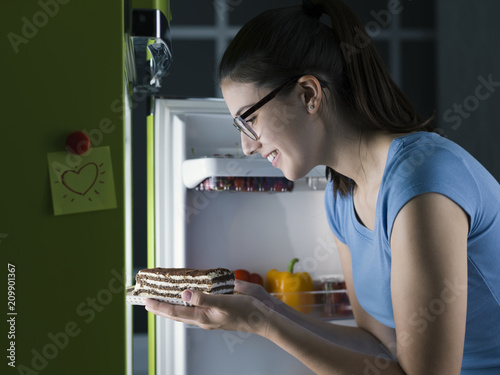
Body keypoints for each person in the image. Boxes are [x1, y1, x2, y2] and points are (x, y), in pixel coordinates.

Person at [144, 0, 500, 373]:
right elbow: (380, 346)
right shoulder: (341, 196)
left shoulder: (420, 182)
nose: (247, 146)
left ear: (309, 95)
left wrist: (265, 324)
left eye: (249, 121)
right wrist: (270, 309)